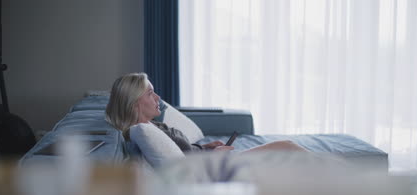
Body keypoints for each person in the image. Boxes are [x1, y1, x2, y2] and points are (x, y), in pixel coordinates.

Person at [105, 72, 307, 154]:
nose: (158, 97)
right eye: (150, 93)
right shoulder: (145, 133)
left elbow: (185, 153)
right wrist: (214, 157)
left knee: (288, 150)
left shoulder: (152, 126)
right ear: (134, 103)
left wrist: (206, 147)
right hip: (219, 168)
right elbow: (185, 169)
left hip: (214, 160)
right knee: (287, 147)